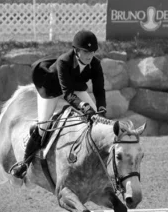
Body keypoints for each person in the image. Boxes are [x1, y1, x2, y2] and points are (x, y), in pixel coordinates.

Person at [10, 29, 107, 179]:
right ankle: (24, 163)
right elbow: (67, 94)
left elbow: (100, 89)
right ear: (76, 50)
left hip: (75, 86)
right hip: (52, 89)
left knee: (98, 122)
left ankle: (102, 160)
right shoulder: (64, 61)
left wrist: (100, 110)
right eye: (85, 52)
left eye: (92, 52)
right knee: (44, 126)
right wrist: (83, 107)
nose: (89, 55)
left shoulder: (95, 64)